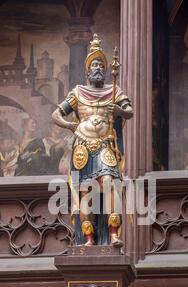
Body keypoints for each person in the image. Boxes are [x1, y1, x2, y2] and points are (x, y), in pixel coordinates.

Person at [52, 34, 133, 247]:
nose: (97, 67)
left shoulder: (114, 91)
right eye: (93, 64)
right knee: (85, 189)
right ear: (88, 70)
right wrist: (70, 125)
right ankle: (88, 238)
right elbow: (56, 115)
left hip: (105, 144)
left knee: (109, 183)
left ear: (105, 70)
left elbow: (129, 112)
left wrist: (118, 110)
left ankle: (114, 234)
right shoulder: (78, 92)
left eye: (100, 64)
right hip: (83, 147)